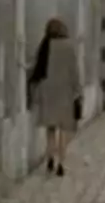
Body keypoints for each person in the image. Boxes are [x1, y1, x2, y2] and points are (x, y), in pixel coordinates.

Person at [27, 17, 83, 177]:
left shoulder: (45, 45)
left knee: (50, 128)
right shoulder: (69, 47)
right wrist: (78, 91)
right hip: (64, 93)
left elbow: (37, 68)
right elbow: (74, 72)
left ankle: (50, 157)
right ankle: (61, 164)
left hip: (48, 92)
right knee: (63, 130)